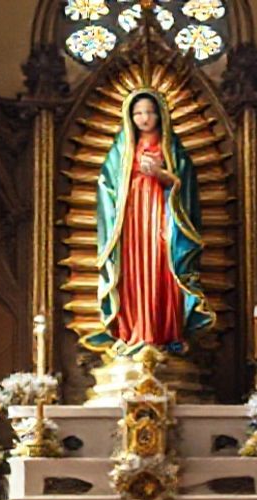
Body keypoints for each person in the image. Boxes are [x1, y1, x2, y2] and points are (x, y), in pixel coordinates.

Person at [87, 89, 214, 355]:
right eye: (138, 113)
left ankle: (165, 334)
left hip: (163, 221)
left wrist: (161, 174)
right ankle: (133, 333)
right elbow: (106, 187)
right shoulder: (121, 150)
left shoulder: (174, 150)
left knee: (162, 271)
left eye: (149, 112)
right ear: (130, 117)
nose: (144, 118)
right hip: (131, 225)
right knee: (132, 274)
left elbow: (185, 187)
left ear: (160, 115)